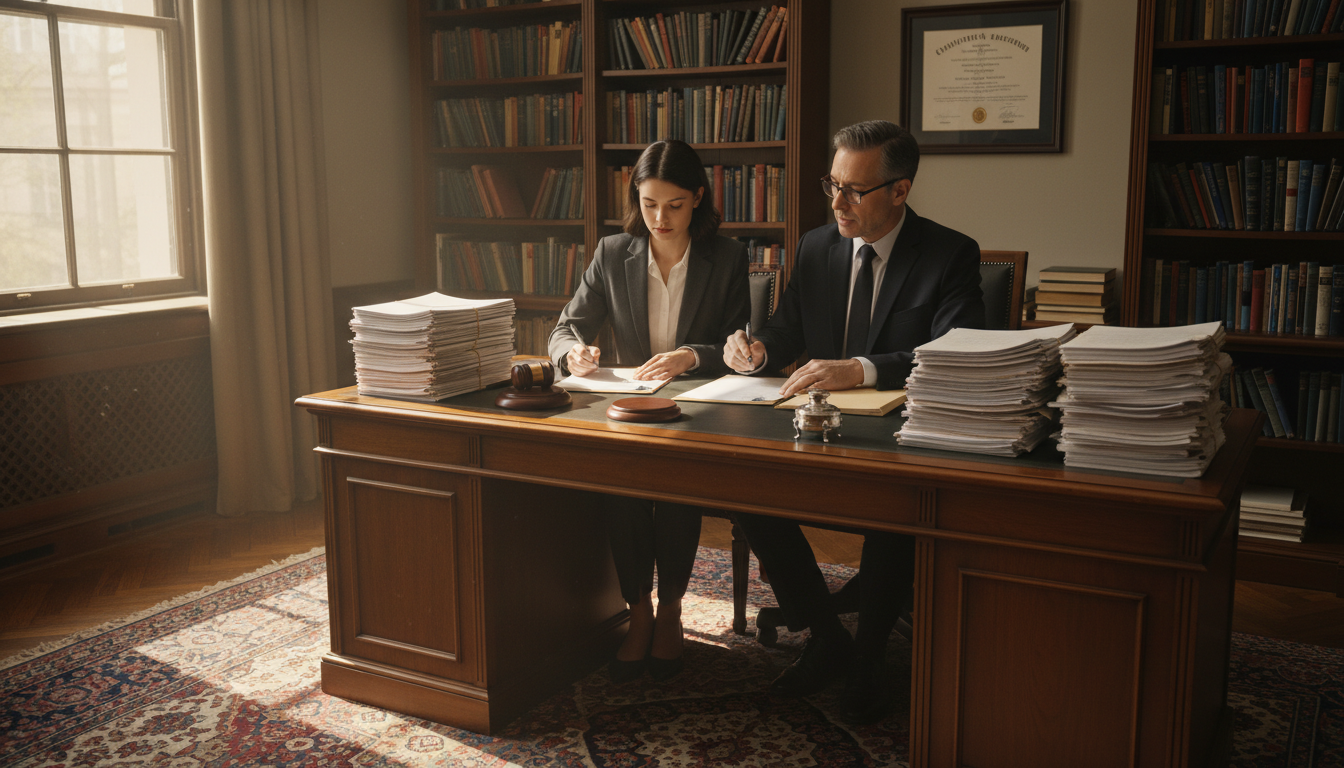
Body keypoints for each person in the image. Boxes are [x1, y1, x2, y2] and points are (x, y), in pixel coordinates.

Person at [722, 120, 985, 722]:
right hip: (816, 431)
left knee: (896, 512)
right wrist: (756, 350)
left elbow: (959, 348)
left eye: (854, 190)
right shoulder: (818, 246)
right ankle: (826, 635)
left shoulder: (950, 253)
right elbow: (787, 330)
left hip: (903, 436)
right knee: (747, 489)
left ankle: (869, 665)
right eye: (832, 185)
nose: (837, 203)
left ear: (900, 190)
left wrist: (861, 368)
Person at [549, 139, 751, 682]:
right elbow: (566, 327)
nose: (660, 218)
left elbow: (739, 348)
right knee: (624, 490)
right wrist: (574, 352)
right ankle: (638, 609)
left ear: (698, 199)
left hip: (699, 411)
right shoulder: (614, 252)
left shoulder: (727, 257)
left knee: (677, 490)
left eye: (674, 205)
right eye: (648, 203)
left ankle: (672, 609)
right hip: (629, 410)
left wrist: (692, 355)